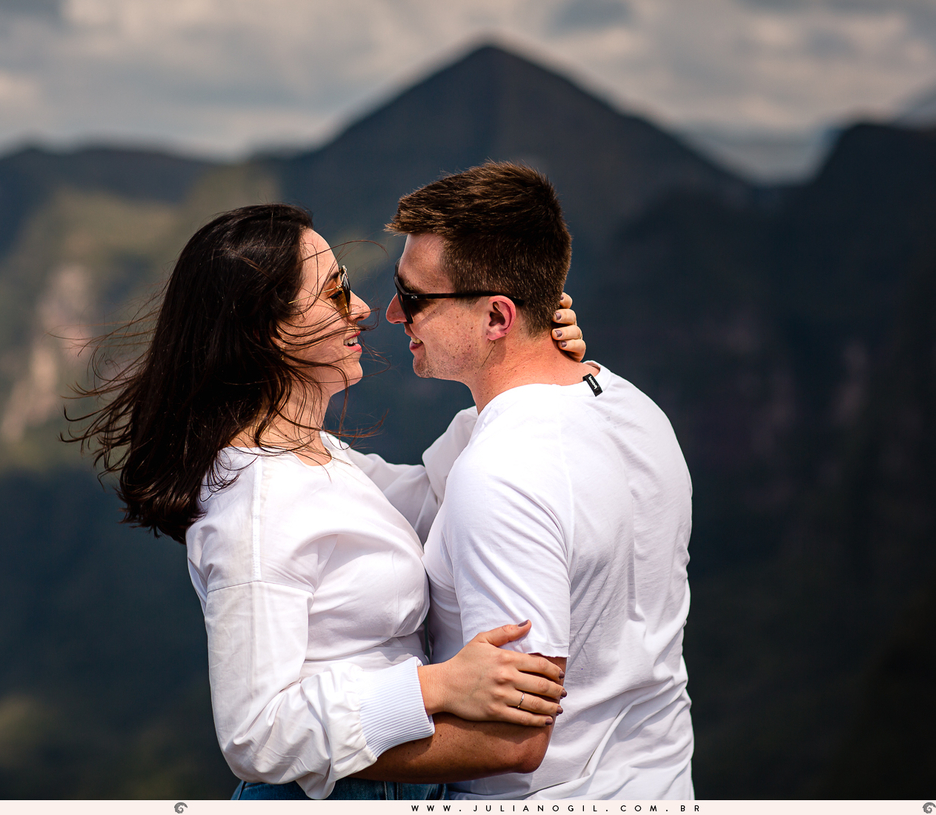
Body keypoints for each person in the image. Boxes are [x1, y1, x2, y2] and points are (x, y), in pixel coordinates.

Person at [66, 203, 586, 800]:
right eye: (336, 293)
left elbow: (439, 495)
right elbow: (254, 735)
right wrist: (435, 689)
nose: (363, 309)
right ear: (267, 328)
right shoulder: (258, 506)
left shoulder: (319, 457)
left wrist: (529, 369)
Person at [365, 162, 695, 799]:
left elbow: (512, 740)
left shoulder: (503, 473)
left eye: (412, 298)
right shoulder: (631, 405)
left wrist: (305, 746)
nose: (390, 314)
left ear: (496, 317)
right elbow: (410, 489)